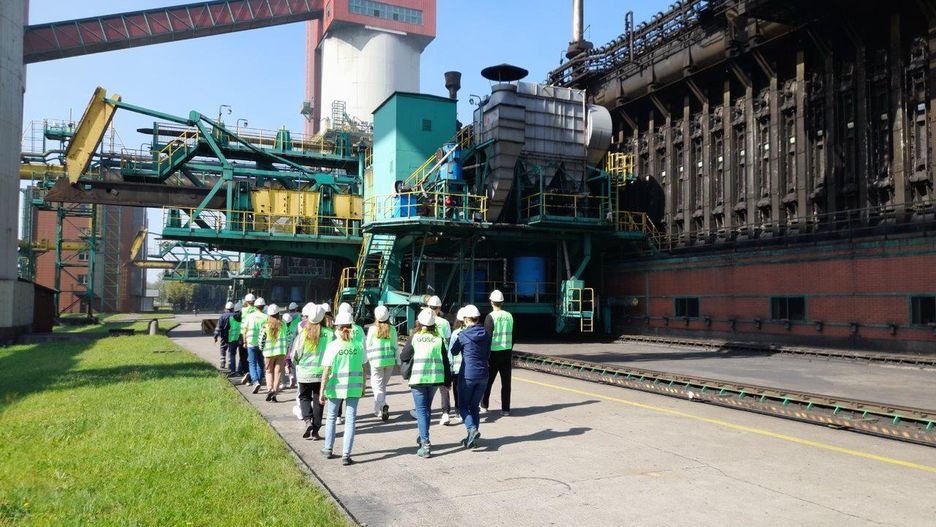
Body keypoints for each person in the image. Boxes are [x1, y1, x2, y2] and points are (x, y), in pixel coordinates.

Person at [400, 308, 451, 458]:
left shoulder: (415, 337)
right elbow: (445, 361)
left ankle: (425, 444)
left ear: (419, 322)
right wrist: (448, 381)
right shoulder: (438, 339)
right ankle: (423, 436)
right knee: (426, 410)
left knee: (422, 411)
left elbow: (404, 356)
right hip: (435, 379)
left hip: (418, 379)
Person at [319, 311, 365, 466]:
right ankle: (346, 454)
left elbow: (326, 370)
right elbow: (364, 367)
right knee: (350, 420)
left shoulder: (333, 346)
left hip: (335, 387)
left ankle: (328, 448)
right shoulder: (358, 345)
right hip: (354, 387)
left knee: (331, 417)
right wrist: (364, 386)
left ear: (337, 328)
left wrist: (322, 391)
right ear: (352, 327)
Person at [450, 304, 491, 448]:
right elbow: (488, 354)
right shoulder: (486, 334)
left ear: (466, 319)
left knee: (463, 405)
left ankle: (472, 429)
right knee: (474, 406)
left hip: (468, 375)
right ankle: (471, 439)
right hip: (484, 374)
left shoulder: (463, 335)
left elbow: (453, 351)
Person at [292, 303, 332, 440]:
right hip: (322, 374)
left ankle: (307, 420)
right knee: (319, 399)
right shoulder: (330, 334)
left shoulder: (304, 333)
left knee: (304, 397)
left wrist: (296, 363)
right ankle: (316, 431)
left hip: (305, 372)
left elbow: (296, 353)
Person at [482, 289, 514, 415]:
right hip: (506, 352)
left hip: (493, 353)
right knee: (506, 383)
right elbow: (514, 334)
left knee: (488, 381)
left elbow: (487, 338)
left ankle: (484, 405)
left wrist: (485, 356)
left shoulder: (490, 317)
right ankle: (505, 409)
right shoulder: (509, 316)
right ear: (502, 302)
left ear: (491, 302)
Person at [366, 305, 398, 421]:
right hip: (389, 361)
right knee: (382, 386)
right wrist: (398, 361)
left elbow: (368, 345)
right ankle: (378, 410)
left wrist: (366, 360)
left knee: (376, 386)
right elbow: (395, 346)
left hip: (376, 361)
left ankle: (383, 405)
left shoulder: (372, 329)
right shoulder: (392, 329)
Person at [426, 296, 454, 425]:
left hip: (428, 355)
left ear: (428, 307)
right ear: (439, 308)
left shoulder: (424, 321)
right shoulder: (445, 322)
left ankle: (423, 409)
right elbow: (448, 339)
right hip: (442, 355)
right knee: (443, 386)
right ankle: (446, 413)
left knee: (426, 385)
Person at [259, 304, 292, 402]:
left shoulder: (265, 326)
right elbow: (288, 338)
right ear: (278, 314)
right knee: (278, 373)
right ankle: (275, 393)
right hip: (281, 352)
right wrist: (286, 348)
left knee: (269, 371)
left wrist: (262, 349)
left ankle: (270, 389)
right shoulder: (283, 325)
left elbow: (261, 340)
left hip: (268, 353)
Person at [243, 297, 268, 392]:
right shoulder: (266, 317)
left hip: (251, 343)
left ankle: (255, 381)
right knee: (260, 364)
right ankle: (259, 382)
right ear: (263, 306)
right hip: (262, 344)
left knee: (252, 363)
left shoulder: (250, 316)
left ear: (255, 306)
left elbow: (244, 330)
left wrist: (244, 341)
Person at [448, 307, 467, 422]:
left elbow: (451, 352)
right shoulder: (476, 332)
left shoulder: (456, 333)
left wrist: (449, 367)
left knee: (457, 390)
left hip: (457, 367)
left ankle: (458, 412)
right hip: (470, 367)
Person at [239, 294, 258, 384]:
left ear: (246, 302)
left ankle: (246, 373)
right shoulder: (257, 310)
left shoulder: (243, 310)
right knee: (254, 358)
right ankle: (251, 376)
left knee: (243, 357)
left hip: (243, 335)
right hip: (255, 335)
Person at [283, 302, 301, 389]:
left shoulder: (285, 319)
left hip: (285, 346)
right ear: (296, 308)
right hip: (294, 343)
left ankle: (290, 376)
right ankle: (294, 376)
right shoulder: (298, 316)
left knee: (286, 363)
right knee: (294, 362)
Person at [213, 301, 235, 370]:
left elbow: (218, 327)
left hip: (224, 336)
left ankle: (222, 363)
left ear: (226, 308)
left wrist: (215, 336)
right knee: (231, 350)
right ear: (233, 308)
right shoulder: (235, 316)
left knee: (223, 348)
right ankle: (230, 365)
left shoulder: (222, 316)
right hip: (233, 336)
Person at [226, 302, 244, 377]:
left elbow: (226, 329)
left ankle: (233, 370)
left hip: (232, 339)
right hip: (241, 339)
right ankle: (240, 370)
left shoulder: (230, 319)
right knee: (242, 356)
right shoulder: (244, 319)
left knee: (232, 355)